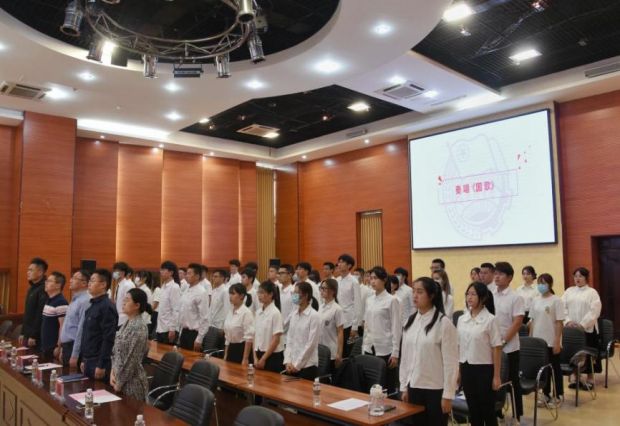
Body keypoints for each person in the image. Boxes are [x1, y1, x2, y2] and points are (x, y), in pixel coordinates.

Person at [400, 277, 458, 426]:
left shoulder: (443, 323)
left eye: (420, 292)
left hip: (435, 389)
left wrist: (448, 395)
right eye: (413, 291)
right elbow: (405, 358)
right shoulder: (409, 322)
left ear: (431, 295)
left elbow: (451, 363)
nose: (415, 296)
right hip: (414, 386)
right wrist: (404, 386)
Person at [457, 282, 502, 426]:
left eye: (473, 294)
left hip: (484, 370)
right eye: (467, 294)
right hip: (466, 368)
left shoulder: (490, 320)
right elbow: (459, 347)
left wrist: (496, 376)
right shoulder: (462, 319)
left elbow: (496, 348)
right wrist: (458, 372)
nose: (469, 297)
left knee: (487, 411)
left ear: (482, 298)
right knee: (473, 411)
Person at [493, 261, 524, 419]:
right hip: (493, 346)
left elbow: (517, 322)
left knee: (512, 382)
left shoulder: (515, 297)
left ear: (510, 277)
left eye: (501, 274)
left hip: (509, 347)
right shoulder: (491, 294)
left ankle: (517, 415)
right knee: (495, 380)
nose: (497, 277)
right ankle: (497, 411)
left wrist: (503, 341)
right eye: (496, 273)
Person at [362, 266, 401, 393]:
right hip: (370, 346)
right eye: (371, 278)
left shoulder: (392, 300)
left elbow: (396, 327)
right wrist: (364, 345)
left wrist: (395, 353)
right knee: (371, 385)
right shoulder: (369, 300)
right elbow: (367, 325)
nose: (372, 281)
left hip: (385, 348)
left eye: (376, 278)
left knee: (386, 386)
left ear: (384, 280)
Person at [562, 267, 602, 389]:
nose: (577, 279)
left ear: (586, 278)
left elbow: (594, 311)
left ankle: (590, 378)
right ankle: (576, 377)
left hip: (587, 329)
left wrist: (582, 324)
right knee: (573, 353)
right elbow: (562, 307)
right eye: (575, 276)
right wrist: (568, 321)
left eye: (580, 276)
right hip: (571, 329)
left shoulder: (592, 292)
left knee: (588, 353)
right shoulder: (569, 291)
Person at [529, 273, 564, 406]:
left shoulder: (556, 300)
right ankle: (545, 394)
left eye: (543, 283)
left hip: (551, 340)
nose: (541, 286)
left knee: (555, 368)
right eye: (539, 283)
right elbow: (532, 321)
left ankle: (558, 395)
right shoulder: (535, 300)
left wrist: (557, 341)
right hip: (538, 341)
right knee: (543, 370)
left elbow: (559, 322)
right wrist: (531, 339)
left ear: (550, 284)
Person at [79, 269, 118, 382]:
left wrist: (101, 365)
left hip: (97, 362)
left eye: (92, 280)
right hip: (87, 359)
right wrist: (83, 359)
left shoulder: (107, 307)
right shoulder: (92, 305)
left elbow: (108, 338)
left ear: (103, 285)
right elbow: (87, 334)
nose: (89, 283)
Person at [110, 288, 149, 400]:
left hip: (132, 383)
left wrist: (120, 382)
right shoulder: (127, 322)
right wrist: (112, 371)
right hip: (118, 378)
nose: (123, 302)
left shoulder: (139, 326)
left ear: (137, 305)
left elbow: (132, 359)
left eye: (127, 300)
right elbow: (115, 351)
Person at [284, 282, 321, 380]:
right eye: (293, 293)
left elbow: (311, 344)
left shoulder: (314, 316)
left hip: (307, 366)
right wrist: (288, 361)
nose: (294, 296)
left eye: (296, 293)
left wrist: (297, 365)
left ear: (306, 295)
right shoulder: (294, 314)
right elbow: (289, 339)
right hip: (291, 365)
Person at [60, 270, 91, 367]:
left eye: (74, 278)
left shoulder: (85, 301)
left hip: (74, 347)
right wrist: (62, 347)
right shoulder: (75, 299)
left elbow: (81, 330)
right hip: (67, 347)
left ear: (84, 283)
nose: (70, 280)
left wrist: (75, 355)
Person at [177, 263, 210, 351]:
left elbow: (205, 317)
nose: (186, 276)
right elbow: (183, 312)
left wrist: (200, 338)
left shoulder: (202, 292)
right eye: (186, 273)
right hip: (184, 331)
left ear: (197, 276)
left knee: (192, 359)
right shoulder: (187, 289)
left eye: (189, 273)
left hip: (194, 334)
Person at [254, 281, 285, 372]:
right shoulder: (258, 312)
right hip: (258, 353)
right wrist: (255, 357)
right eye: (258, 292)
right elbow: (255, 336)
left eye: (262, 292)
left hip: (272, 356)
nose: (259, 295)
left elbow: (276, 340)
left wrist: (263, 359)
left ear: (271, 294)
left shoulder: (275, 313)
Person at [335, 254, 361, 356]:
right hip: (337, 320)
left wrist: (355, 327)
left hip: (349, 321)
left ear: (349, 265)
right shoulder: (336, 280)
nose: (339, 264)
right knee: (337, 349)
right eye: (339, 262)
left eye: (342, 262)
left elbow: (357, 304)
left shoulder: (354, 281)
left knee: (347, 351)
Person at [223, 284, 254, 364]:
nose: (230, 296)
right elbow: (227, 337)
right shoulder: (230, 311)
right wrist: (226, 354)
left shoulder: (246, 313)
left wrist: (245, 358)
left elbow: (249, 338)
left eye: (233, 294)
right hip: (231, 348)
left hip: (241, 349)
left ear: (241, 296)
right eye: (230, 293)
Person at [41, 272, 69, 359]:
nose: (46, 283)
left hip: (53, 347)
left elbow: (63, 326)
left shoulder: (61, 302)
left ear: (58, 285)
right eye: (46, 281)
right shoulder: (49, 300)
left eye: (49, 281)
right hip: (45, 345)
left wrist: (59, 346)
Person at [23, 257, 49, 349]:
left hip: (35, 337)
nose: (28, 272)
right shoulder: (32, 288)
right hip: (27, 334)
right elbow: (28, 313)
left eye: (31, 270)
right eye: (28, 270)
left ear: (40, 272)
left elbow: (40, 313)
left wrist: (34, 335)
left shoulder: (44, 289)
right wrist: (22, 332)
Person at [319, 278, 344, 370]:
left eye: (324, 288)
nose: (322, 290)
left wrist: (339, 353)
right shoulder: (321, 307)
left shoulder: (337, 309)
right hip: (319, 349)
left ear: (333, 291)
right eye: (321, 288)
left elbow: (340, 332)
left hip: (331, 351)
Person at [156, 260, 181, 344]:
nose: (161, 272)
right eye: (161, 270)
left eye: (163, 270)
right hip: (160, 327)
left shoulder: (174, 287)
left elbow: (176, 310)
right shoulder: (163, 286)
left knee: (168, 352)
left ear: (171, 272)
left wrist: (172, 329)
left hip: (169, 329)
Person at [112, 262, 135, 327]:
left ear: (123, 272)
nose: (114, 273)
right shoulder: (119, 285)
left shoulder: (128, 285)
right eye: (114, 271)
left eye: (116, 271)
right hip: (118, 317)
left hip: (125, 318)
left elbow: (130, 302)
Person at [278, 264, 295, 340]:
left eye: (282, 273)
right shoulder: (277, 290)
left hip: (288, 333)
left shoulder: (294, 291)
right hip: (276, 331)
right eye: (279, 273)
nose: (279, 275)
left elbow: (295, 310)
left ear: (290, 275)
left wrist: (283, 325)